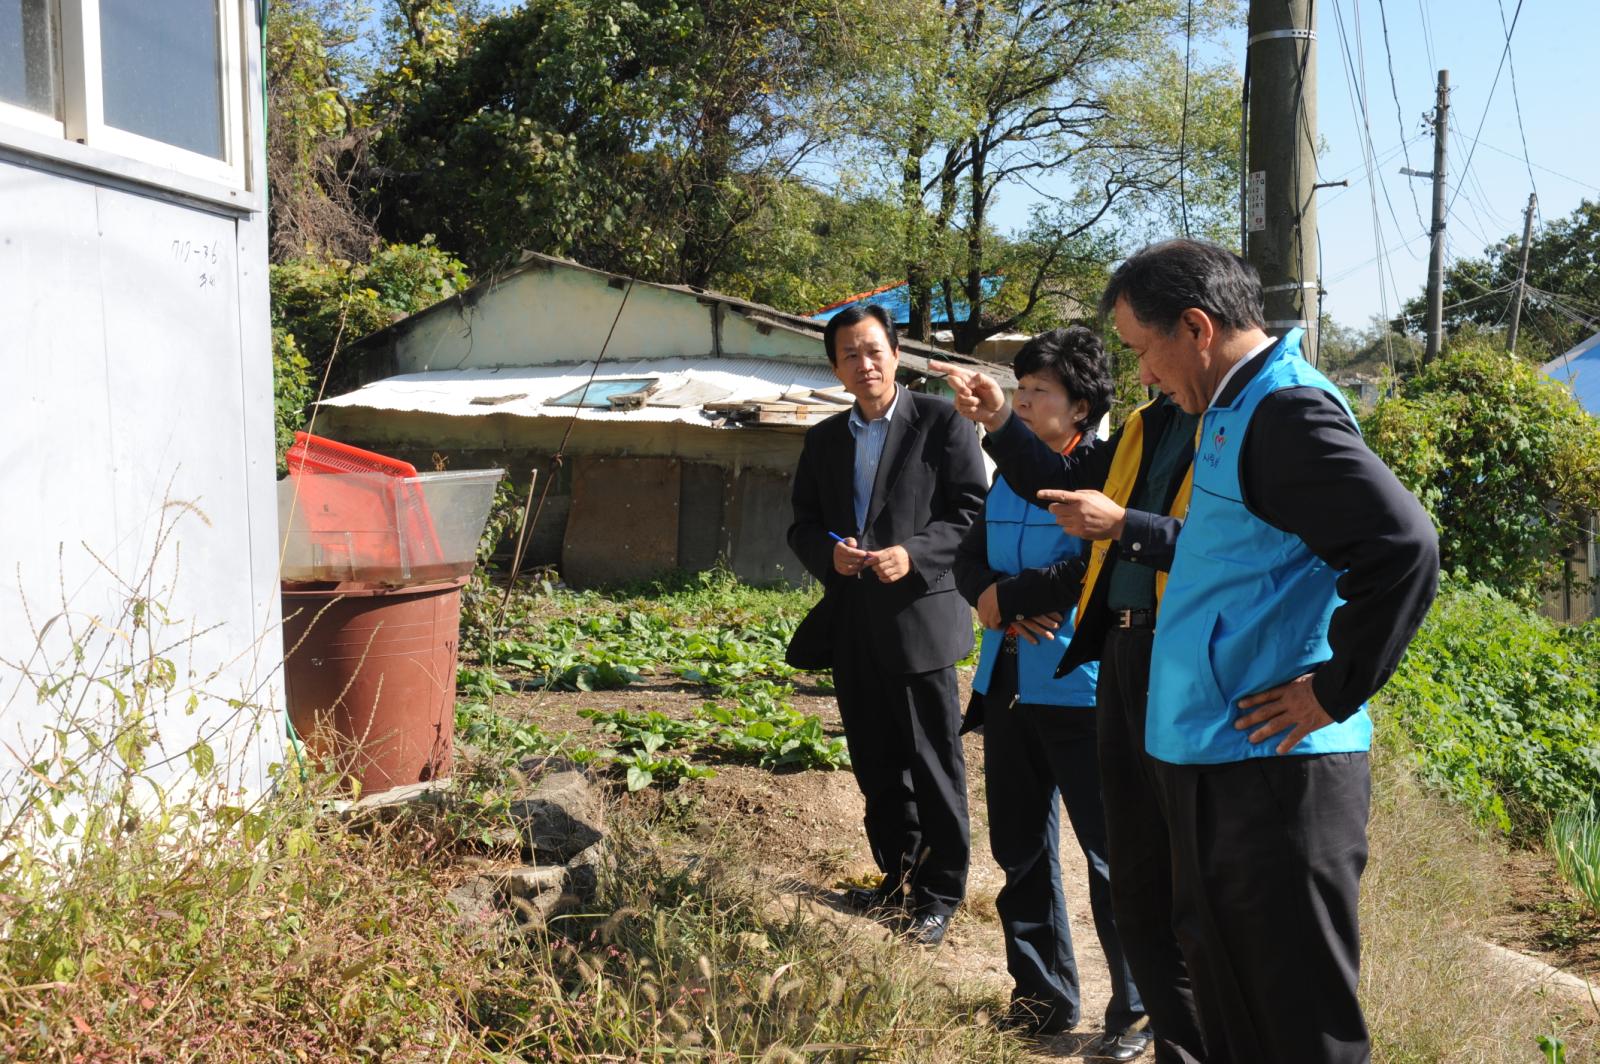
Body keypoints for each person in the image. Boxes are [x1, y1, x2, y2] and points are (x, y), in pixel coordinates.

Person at [944, 239, 1440, 1063]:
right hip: (1214, 741)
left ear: (1198, 329)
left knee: (1294, 1010)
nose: (1141, 375)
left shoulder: (1285, 410)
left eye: (1144, 349)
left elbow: (1403, 546)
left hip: (1277, 757)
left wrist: (1333, 688)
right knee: (1222, 984)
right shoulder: (1225, 409)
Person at [932, 338, 1209, 1062]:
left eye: (1037, 393)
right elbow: (970, 549)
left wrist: (1012, 594)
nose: (1022, 402)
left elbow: (1092, 555)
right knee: (1019, 849)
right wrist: (986, 597)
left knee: (1113, 855)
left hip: (1082, 690)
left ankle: (1137, 1008)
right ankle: (1041, 998)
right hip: (1010, 681)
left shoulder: (1107, 468)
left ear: (1081, 407)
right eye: (1018, 390)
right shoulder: (1009, 476)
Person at [786, 304, 987, 948]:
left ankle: (942, 890)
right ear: (835, 368)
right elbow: (802, 525)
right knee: (876, 762)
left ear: (896, 354)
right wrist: (831, 556)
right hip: (853, 623)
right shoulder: (822, 440)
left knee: (933, 758)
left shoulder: (942, 420)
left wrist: (916, 553)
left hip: (921, 617)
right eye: (849, 354)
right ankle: (898, 876)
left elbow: (969, 510)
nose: (864, 364)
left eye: (874, 350)